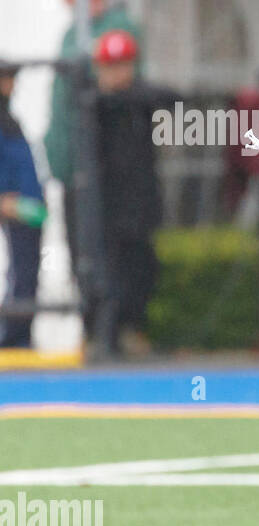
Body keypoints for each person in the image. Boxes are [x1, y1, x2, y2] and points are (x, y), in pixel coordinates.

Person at [78, 30, 163, 355]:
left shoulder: (139, 99)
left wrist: (128, 92)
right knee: (102, 271)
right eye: (109, 66)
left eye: (122, 65)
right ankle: (101, 335)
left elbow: (172, 96)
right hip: (100, 207)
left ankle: (131, 330)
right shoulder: (92, 103)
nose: (116, 73)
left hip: (139, 203)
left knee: (141, 267)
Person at [44, 0, 143, 189]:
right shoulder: (72, 33)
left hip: (104, 166)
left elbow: (120, 83)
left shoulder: (118, 25)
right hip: (69, 163)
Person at [0, 59, 46, 348]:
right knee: (21, 271)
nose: (12, 84)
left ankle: (19, 334)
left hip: (27, 204)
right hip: (13, 202)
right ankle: (13, 336)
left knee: (27, 269)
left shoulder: (9, 116)